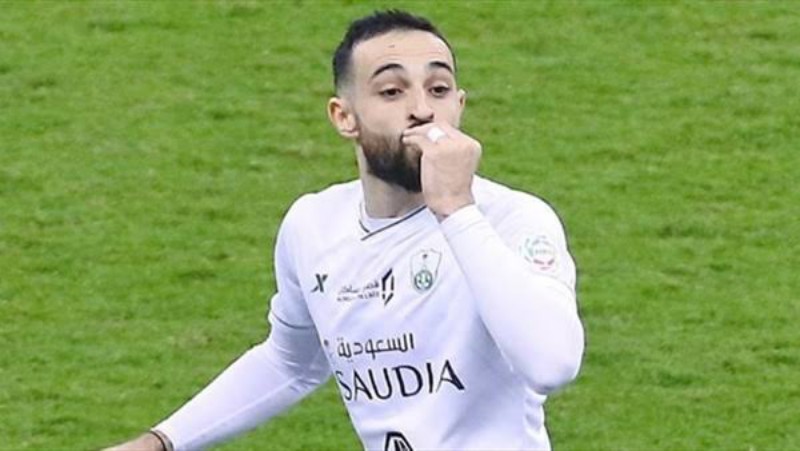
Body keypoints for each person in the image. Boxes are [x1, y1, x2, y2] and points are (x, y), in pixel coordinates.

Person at [108, 9, 584, 451]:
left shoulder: (511, 219)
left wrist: (456, 210)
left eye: (438, 89)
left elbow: (551, 364)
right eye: (392, 92)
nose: (422, 110)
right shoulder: (313, 227)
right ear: (344, 117)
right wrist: (159, 442)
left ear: (459, 105)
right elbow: (291, 361)